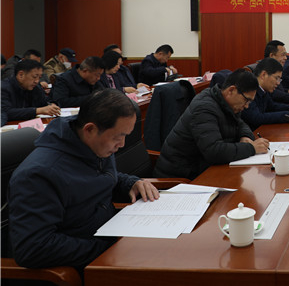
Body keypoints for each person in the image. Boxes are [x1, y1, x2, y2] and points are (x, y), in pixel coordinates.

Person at [8, 89, 159, 270]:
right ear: (90, 129)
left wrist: (130, 183)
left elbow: (96, 178)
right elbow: (33, 248)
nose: (122, 144)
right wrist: (106, 250)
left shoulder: (92, 145)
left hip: (112, 235)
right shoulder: (38, 175)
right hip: (85, 262)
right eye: (118, 137)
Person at [154, 69, 269, 179]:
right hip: (182, 177)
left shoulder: (226, 103)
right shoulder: (204, 108)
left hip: (202, 169)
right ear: (231, 90)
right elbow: (214, 151)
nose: (247, 106)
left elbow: (241, 124)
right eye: (246, 100)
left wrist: (245, 136)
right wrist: (251, 148)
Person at [241, 58, 289, 131]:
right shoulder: (249, 89)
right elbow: (257, 118)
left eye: (279, 79)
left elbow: (272, 106)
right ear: (263, 75)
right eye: (276, 78)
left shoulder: (263, 89)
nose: (278, 83)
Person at [1, 59, 60, 125]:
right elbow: (5, 113)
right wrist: (37, 111)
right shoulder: (3, 88)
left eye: (39, 77)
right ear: (21, 75)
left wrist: (51, 105)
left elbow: (44, 103)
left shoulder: (36, 88)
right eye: (34, 77)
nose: (37, 81)